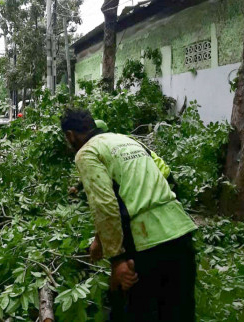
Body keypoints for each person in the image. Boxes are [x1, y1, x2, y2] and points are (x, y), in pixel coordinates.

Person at [61, 108, 197, 322]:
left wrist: (118, 260)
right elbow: (162, 175)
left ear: (70, 135)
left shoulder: (86, 152)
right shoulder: (126, 140)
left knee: (134, 312)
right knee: (178, 312)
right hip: (181, 233)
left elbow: (105, 205)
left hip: (146, 246)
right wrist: (100, 239)